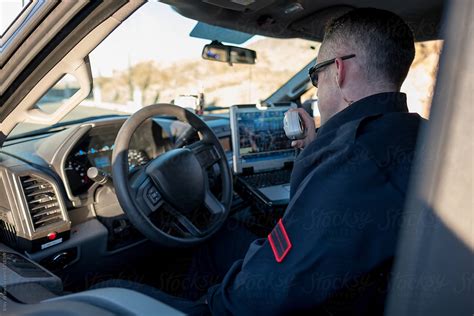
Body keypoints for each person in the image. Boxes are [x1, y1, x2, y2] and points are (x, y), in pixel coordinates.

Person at [94, 7, 424, 315]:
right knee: (217, 238)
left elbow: (264, 292)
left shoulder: (353, 165)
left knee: (106, 290)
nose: (317, 88)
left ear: (338, 71)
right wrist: (314, 150)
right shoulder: (414, 134)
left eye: (315, 75)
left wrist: (212, 304)